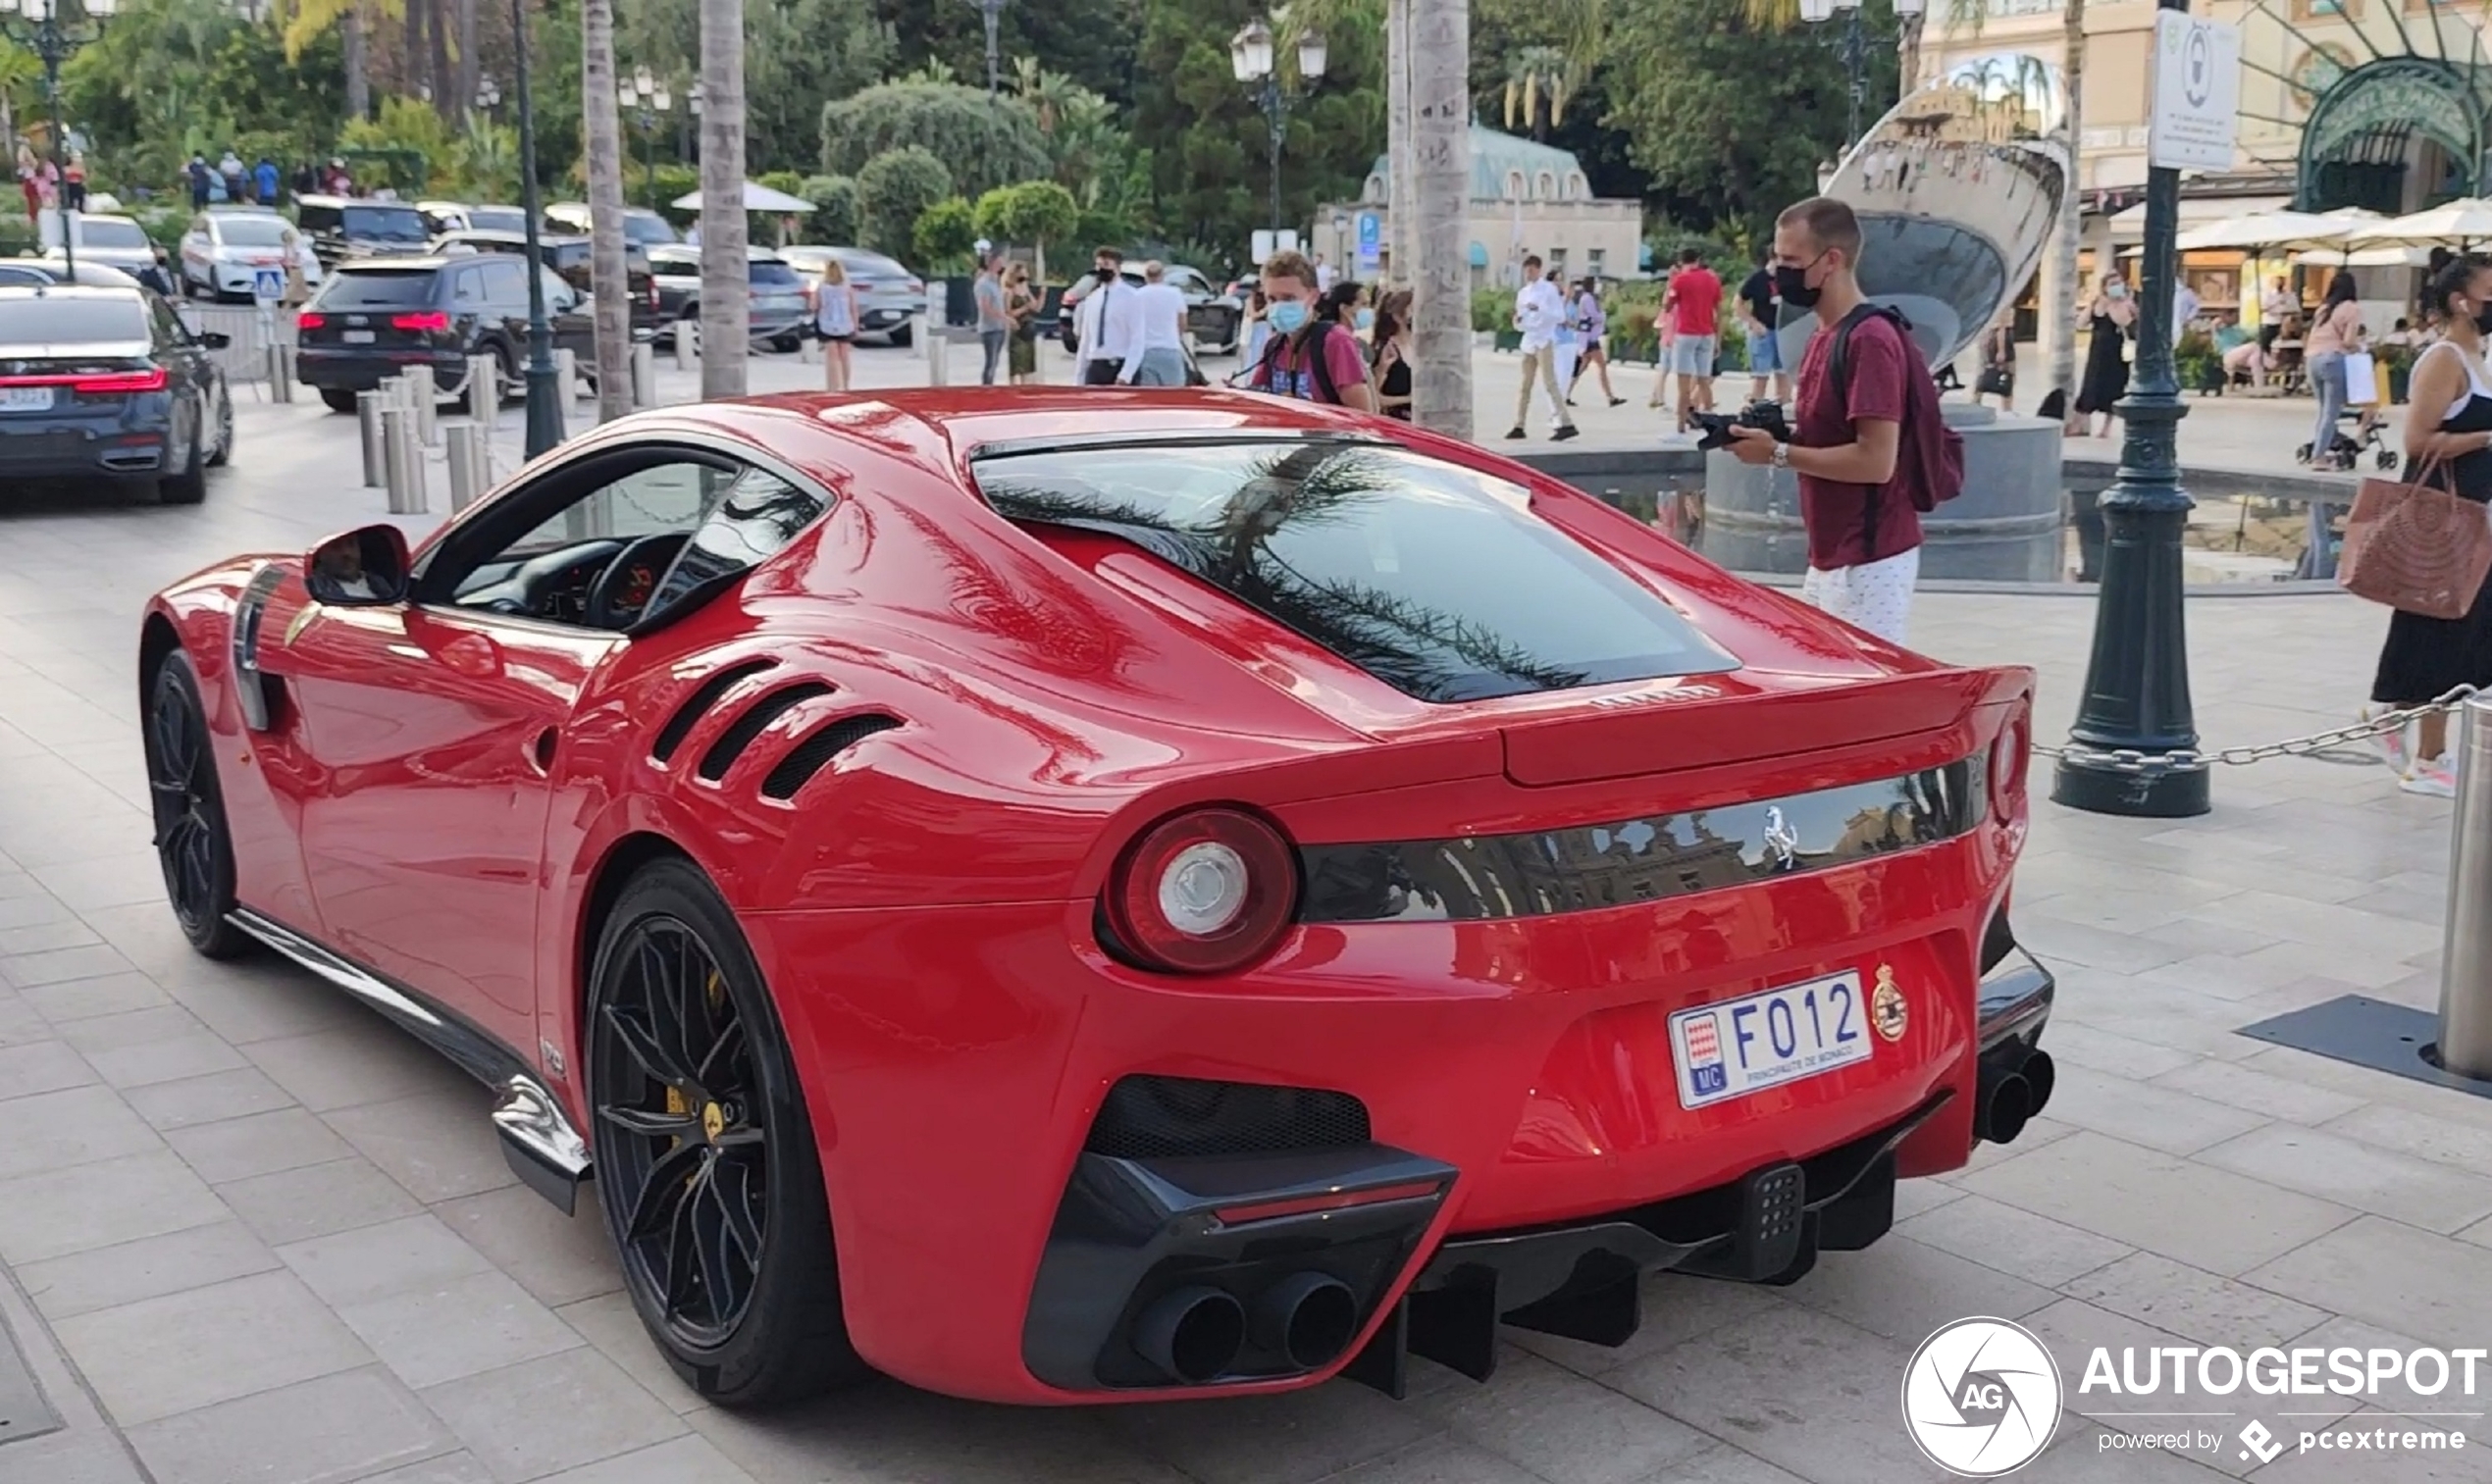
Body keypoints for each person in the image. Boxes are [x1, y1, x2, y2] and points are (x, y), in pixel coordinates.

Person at [1725, 196, 1932, 647]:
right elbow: (1831, 435)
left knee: (1863, 696)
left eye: (1791, 260)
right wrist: (1773, 437)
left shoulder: (1870, 339)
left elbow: (1877, 461)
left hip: (1869, 557)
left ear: (1832, 260)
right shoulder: (1824, 334)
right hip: (1832, 554)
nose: (1778, 273)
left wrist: (1777, 454)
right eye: (1778, 258)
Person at [2361, 252, 2492, 797]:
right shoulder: (2444, 358)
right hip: (2446, 520)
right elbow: (2418, 441)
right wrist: (2488, 438)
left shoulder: (2478, 355)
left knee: (2457, 631)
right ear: (2462, 301)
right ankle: (2427, 756)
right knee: (2444, 630)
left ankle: (2390, 716)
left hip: (2476, 518)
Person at [1247, 248, 1374, 411]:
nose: (1278, 307)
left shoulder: (1335, 341)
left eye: (1289, 298)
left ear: (1313, 296)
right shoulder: (1274, 346)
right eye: (1272, 299)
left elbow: (1362, 415)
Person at [1505, 255, 1577, 440]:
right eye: (1526, 270)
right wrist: (1517, 322)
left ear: (1538, 270)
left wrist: (1540, 310)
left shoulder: (1549, 290)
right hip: (1529, 340)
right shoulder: (1523, 293)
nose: (1528, 273)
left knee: (1549, 382)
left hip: (1544, 339)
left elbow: (1559, 316)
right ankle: (1519, 424)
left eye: (1532, 270)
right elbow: (1521, 319)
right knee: (1524, 385)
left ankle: (1566, 422)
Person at [2303, 272, 2364, 468]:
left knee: (2323, 411)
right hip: (2333, 360)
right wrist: (2360, 348)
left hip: (2312, 360)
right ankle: (2318, 456)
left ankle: (2318, 449)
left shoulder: (2323, 308)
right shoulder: (2351, 308)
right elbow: (2348, 341)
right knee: (2331, 411)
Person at [1663, 246, 1723, 434]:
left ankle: (1680, 426)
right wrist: (1718, 338)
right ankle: (1712, 423)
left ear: (1681, 262)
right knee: (1704, 381)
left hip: (1686, 333)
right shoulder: (1712, 279)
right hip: (1707, 333)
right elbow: (1719, 311)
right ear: (1698, 259)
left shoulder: (1680, 280)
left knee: (1683, 384)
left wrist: (1669, 283)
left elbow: (1667, 306)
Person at [2072, 272, 2135, 437]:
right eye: (2112, 284)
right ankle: (2078, 423)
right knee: (2090, 385)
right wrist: (2093, 305)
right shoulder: (2096, 302)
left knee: (2113, 387)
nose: (2116, 286)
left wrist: (2116, 304)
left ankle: (2106, 427)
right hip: (2097, 350)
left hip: (2116, 351)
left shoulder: (2125, 303)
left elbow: (2123, 321)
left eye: (2119, 283)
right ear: (2104, 287)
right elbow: (2081, 323)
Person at [1072, 247, 1141, 386]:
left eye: (1106, 265)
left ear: (1117, 268)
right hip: (1096, 365)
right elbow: (1086, 340)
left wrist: (1126, 374)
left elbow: (1138, 339)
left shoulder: (1132, 297)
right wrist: (1079, 376)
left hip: (1118, 363)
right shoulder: (1092, 299)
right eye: (1098, 266)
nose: (1102, 270)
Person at [1121, 260, 1191, 385]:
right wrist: (1176, 335)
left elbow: (1131, 325)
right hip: (1171, 349)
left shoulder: (1137, 295)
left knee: (1150, 395)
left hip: (1146, 352)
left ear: (1146, 276)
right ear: (1163, 275)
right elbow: (1183, 322)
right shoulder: (1175, 294)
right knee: (1174, 396)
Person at [1739, 251, 1788, 404]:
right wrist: (1753, 323)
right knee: (1761, 374)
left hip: (1783, 330)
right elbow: (1738, 302)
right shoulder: (1757, 279)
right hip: (1764, 331)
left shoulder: (1786, 278)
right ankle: (1757, 407)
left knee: (1783, 373)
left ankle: (1782, 407)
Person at [1568, 278, 1623, 406]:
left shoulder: (1587, 298)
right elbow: (1594, 316)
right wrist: (1603, 315)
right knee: (1601, 365)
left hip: (1588, 337)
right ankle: (1610, 397)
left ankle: (1566, 393)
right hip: (1590, 338)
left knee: (1581, 367)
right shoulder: (1587, 299)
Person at [813, 255, 857, 392]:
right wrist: (855, 326)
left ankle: (832, 386)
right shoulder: (847, 288)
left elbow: (814, 305)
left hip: (827, 324)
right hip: (845, 325)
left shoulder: (821, 287)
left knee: (831, 357)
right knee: (845, 356)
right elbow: (853, 308)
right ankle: (846, 385)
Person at [1372, 287, 1414, 420]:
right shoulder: (1386, 350)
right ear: (1397, 317)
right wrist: (1410, 399)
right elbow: (1376, 398)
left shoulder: (1424, 348)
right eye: (1413, 310)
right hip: (1399, 422)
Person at [973, 252, 1011, 386]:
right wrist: (1003, 317)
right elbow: (985, 306)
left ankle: (989, 385)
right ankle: (986, 387)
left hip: (999, 327)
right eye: (999, 263)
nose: (1001, 266)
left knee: (995, 362)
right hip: (989, 328)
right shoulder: (983, 284)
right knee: (991, 361)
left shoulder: (996, 282)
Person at [1004, 262, 1040, 384]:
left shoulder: (1025, 288)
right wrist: (1024, 308)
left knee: (1027, 365)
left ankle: (1026, 386)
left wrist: (1041, 295)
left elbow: (1036, 307)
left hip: (1028, 329)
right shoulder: (1009, 291)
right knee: (1016, 364)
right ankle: (1013, 387)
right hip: (1017, 329)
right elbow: (1008, 312)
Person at [1977, 313, 2016, 411]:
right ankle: (2007, 409)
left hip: (1990, 336)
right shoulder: (2005, 301)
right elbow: (2001, 327)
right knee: (2008, 375)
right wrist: (2001, 349)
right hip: (2000, 337)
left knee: (1985, 372)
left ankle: (1976, 401)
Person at [2259, 276, 2298, 359]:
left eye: (2282, 282)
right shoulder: (2268, 295)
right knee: (2265, 344)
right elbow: (2263, 309)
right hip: (2271, 323)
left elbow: (2296, 310)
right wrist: (2276, 303)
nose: (2280, 284)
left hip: (2286, 323)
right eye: (2278, 282)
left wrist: (2286, 312)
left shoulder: (2290, 295)